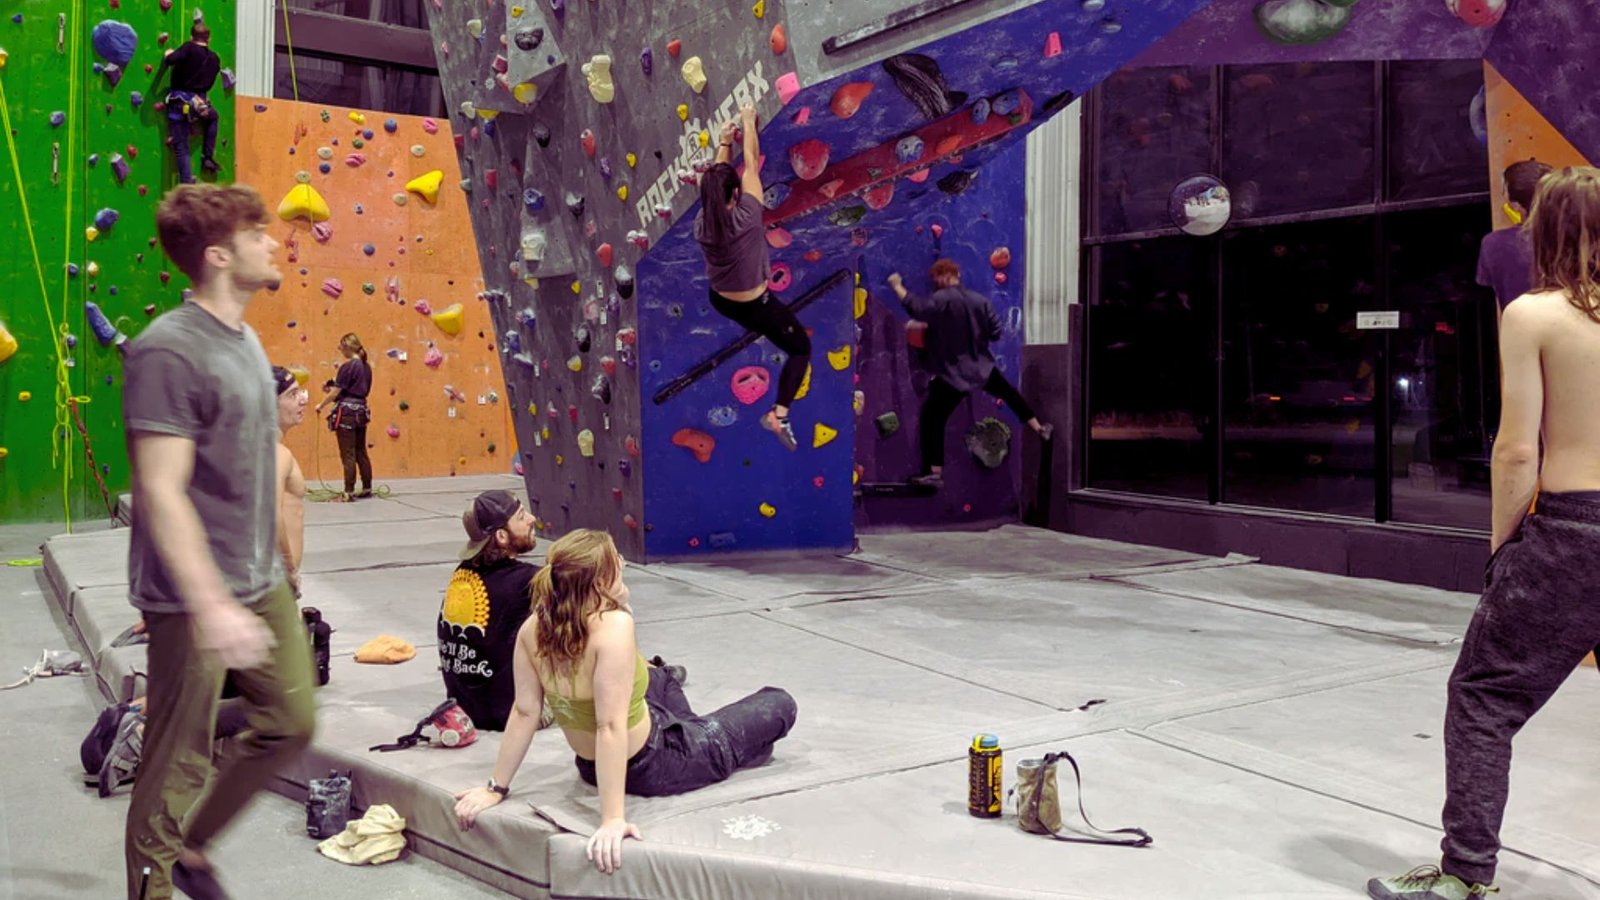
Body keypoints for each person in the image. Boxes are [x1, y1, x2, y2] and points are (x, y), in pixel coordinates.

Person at [1367, 167, 1600, 900]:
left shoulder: (1534, 314)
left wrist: (1503, 549)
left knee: (1483, 698)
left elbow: (1516, 451)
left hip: (1573, 535)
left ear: (1547, 230)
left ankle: (1466, 875)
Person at [122, 183, 313, 900]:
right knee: (177, 760)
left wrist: (276, 573)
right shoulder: (166, 351)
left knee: (292, 721)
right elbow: (161, 490)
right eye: (256, 233)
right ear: (218, 255)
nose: (271, 240)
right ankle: (155, 885)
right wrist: (212, 607)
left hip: (258, 578)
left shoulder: (246, 337)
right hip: (192, 595)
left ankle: (192, 848)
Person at [452, 530, 796, 874]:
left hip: (595, 762)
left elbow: (525, 711)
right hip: (657, 761)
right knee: (779, 704)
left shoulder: (534, 627)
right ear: (601, 583)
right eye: (616, 561)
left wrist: (496, 787)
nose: (623, 563)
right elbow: (610, 726)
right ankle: (713, 742)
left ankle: (688, 710)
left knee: (658, 679)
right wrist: (612, 819)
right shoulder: (614, 626)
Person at [695, 103, 811, 451]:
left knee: (783, 334)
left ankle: (780, 412)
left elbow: (720, 176)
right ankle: (779, 414)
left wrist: (723, 142)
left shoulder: (702, 223)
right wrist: (747, 124)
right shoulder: (746, 215)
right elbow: (752, 160)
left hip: (723, 300)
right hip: (756, 305)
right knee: (801, 349)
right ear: (734, 197)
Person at [886, 260, 1052, 487]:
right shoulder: (980, 301)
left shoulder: (942, 299)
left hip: (954, 374)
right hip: (982, 367)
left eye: (936, 279)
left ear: (944, 276)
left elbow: (917, 308)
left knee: (932, 418)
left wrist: (897, 286)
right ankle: (1039, 428)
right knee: (1010, 395)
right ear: (959, 274)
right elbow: (995, 332)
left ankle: (934, 472)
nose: (936, 284)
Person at [439, 490, 541, 731]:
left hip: (463, 709)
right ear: (502, 536)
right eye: (521, 516)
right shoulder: (528, 580)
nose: (532, 518)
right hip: (510, 714)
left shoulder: (461, 573)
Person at [1477, 159, 1553, 313]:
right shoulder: (1579, 236)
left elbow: (1486, 286)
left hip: (1522, 330)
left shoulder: (1493, 244)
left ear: (1516, 205)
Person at [153, 22, 223, 185]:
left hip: (180, 101)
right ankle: (207, 157)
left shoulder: (188, 48)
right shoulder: (214, 58)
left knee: (181, 146)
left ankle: (186, 184)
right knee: (213, 118)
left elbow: (170, 60)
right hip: (200, 103)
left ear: (192, 37)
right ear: (209, 39)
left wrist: (169, 53)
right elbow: (211, 80)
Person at [313, 333, 373, 502]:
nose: (339, 349)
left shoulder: (348, 367)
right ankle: (367, 486)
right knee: (361, 451)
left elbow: (336, 392)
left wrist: (321, 405)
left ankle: (348, 491)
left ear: (347, 347)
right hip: (361, 412)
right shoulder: (366, 367)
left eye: (341, 346)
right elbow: (355, 389)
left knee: (348, 453)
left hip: (346, 414)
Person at [272, 367, 309, 596]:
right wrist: (288, 567)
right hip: (274, 580)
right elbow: (269, 512)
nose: (302, 401)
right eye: (292, 395)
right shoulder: (275, 452)